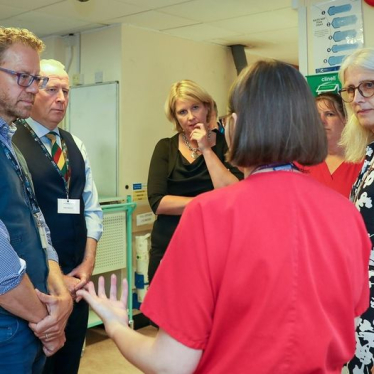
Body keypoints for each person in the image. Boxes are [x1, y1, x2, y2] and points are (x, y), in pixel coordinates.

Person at [77, 60, 371, 374]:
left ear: (235, 125)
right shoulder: (347, 214)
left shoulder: (209, 214)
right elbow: (351, 326)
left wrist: (117, 325)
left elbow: (170, 363)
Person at [13, 59, 103, 374]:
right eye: (52, 89)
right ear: (33, 90)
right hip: (35, 285)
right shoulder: (11, 144)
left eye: (66, 90)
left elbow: (91, 206)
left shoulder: (74, 144)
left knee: (68, 362)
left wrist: (87, 264)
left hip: (77, 279)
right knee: (38, 363)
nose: (61, 98)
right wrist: (56, 279)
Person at [0, 27, 73, 373]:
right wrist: (49, 322)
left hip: (30, 323)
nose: (32, 88)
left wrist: (59, 285)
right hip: (11, 327)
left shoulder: (11, 146)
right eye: (22, 77)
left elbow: (35, 219)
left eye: (35, 78)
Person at [147, 79, 243, 283]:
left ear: (207, 107)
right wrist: (208, 204)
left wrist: (206, 148)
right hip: (169, 244)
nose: (190, 117)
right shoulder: (165, 148)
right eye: (182, 112)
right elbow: (158, 202)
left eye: (195, 107)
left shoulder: (227, 145)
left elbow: (234, 194)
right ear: (175, 117)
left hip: (213, 246)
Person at [337, 47, 374, 374]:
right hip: (362, 310)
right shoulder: (368, 157)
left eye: (370, 85)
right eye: (351, 89)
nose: (358, 98)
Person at [297, 92, 363, 197]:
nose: (321, 121)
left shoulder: (365, 163)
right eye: (316, 116)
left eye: (329, 114)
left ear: (346, 120)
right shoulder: (300, 163)